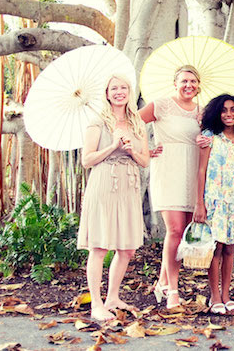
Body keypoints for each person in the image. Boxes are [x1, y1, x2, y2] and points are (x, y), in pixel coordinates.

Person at [77, 75, 150, 322]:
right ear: (107, 94)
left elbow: (145, 160)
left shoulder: (137, 122)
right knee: (99, 246)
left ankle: (113, 297)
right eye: (114, 88)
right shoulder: (97, 122)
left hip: (129, 185)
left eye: (124, 88)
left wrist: (131, 150)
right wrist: (112, 147)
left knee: (127, 248)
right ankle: (96, 303)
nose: (119, 92)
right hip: (104, 183)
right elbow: (86, 160)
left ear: (130, 92)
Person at [139, 65, 202, 308]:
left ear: (198, 86)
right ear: (175, 83)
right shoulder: (161, 105)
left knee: (184, 232)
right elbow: (133, 122)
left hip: (194, 170)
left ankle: (162, 283)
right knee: (174, 230)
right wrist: (145, 148)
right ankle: (173, 291)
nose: (189, 85)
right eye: (184, 81)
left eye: (193, 82)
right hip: (168, 168)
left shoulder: (202, 111)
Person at [193, 94, 234, 315]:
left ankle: (226, 295)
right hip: (213, 199)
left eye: (233, 110)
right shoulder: (209, 137)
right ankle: (214, 296)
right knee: (214, 249)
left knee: (230, 248)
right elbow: (201, 171)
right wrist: (200, 203)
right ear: (218, 113)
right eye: (224, 110)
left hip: (233, 200)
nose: (229, 114)